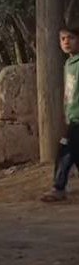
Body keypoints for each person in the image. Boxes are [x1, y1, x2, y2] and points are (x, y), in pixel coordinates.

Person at [40, 26, 79, 202]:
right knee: (74, 152)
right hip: (72, 117)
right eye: (63, 38)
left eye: (71, 38)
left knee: (65, 151)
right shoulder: (69, 64)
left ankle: (58, 187)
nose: (66, 42)